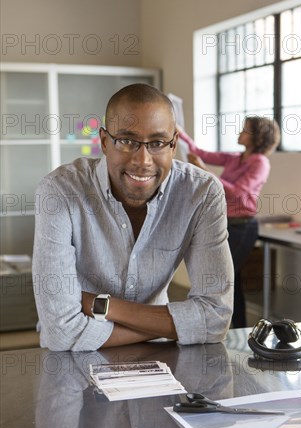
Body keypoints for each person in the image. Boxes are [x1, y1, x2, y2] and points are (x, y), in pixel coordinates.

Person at [32, 84, 233, 351]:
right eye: (126, 141)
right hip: (75, 358)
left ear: (173, 145)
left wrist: (101, 305)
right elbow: (61, 332)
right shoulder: (59, 191)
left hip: (153, 353)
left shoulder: (202, 193)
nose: (143, 160)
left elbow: (216, 318)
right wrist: (178, 326)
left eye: (158, 143)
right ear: (104, 142)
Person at [178, 116, 280, 328]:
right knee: (233, 282)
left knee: (222, 278)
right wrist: (179, 132)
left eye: (245, 130)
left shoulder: (260, 162)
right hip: (227, 223)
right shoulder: (235, 158)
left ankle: (212, 327)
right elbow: (199, 152)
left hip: (243, 226)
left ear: (257, 137)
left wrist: (203, 170)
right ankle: (239, 328)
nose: (239, 133)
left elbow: (239, 194)